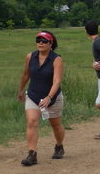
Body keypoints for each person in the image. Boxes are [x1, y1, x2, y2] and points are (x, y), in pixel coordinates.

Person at [16, 30, 65, 166]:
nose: (40, 43)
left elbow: (57, 81)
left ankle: (59, 146)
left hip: (53, 97)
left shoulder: (56, 59)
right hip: (33, 95)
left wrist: (49, 97)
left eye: (44, 41)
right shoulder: (30, 56)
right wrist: (20, 90)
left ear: (51, 43)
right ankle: (32, 154)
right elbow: (26, 74)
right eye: (38, 40)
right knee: (32, 122)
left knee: (55, 124)